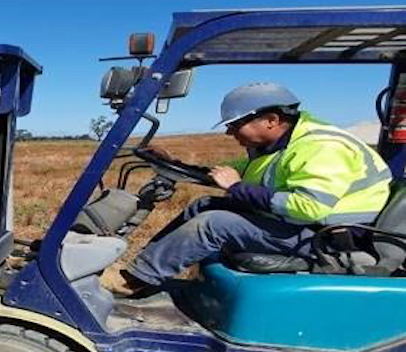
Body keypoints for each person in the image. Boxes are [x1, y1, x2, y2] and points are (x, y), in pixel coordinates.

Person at [113, 82, 392, 297]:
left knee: (213, 224)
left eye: (235, 125)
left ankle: (134, 282)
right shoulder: (282, 147)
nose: (229, 133)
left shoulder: (320, 147)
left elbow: (310, 208)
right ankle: (140, 273)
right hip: (305, 228)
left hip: (327, 239)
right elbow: (228, 175)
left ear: (271, 119)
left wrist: (235, 187)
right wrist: (175, 163)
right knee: (204, 206)